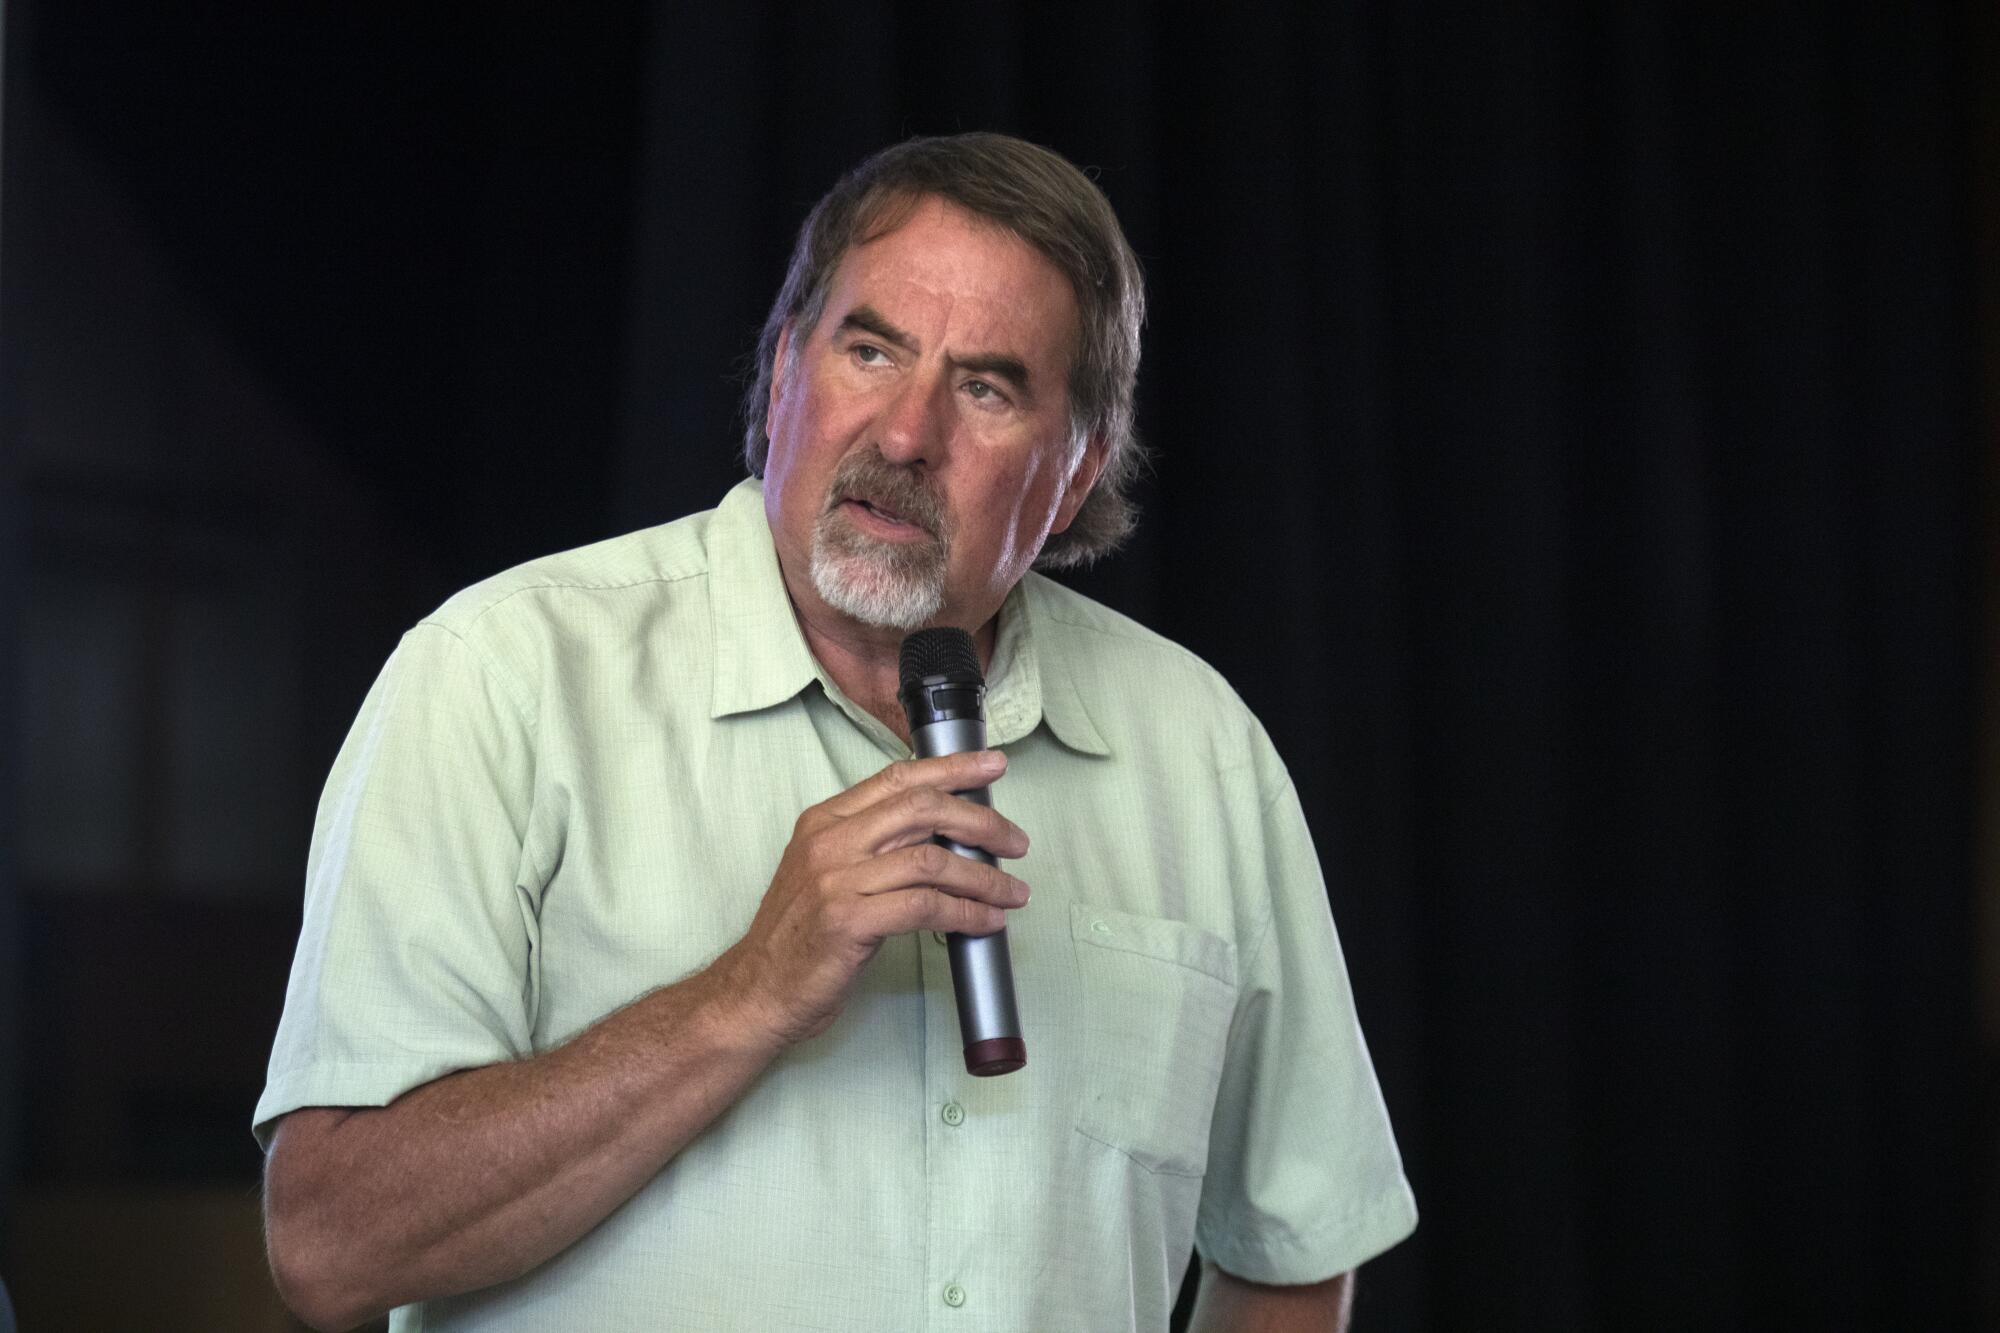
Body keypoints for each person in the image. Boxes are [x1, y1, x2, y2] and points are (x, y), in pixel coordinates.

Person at [257, 132, 1416, 1332]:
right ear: (779, 374)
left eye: (986, 387)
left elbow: (1292, 1243)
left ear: (1073, 478)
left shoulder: (1201, 751)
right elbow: (330, 1243)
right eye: (869, 350)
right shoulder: (500, 676)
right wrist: (744, 992)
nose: (907, 434)